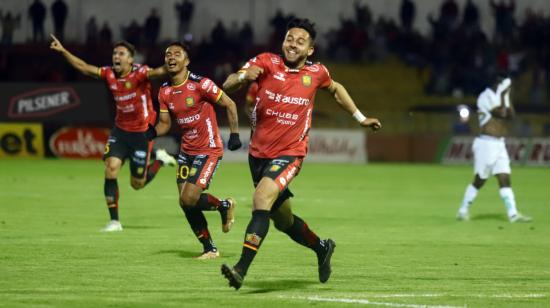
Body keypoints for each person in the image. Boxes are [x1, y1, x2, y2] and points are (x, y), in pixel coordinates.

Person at [220, 18, 382, 289]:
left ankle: (240, 270)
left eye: (300, 41)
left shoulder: (316, 73)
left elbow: (336, 89)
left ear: (310, 50)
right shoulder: (265, 62)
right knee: (283, 221)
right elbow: (227, 86)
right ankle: (322, 248)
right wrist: (241, 77)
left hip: (290, 154)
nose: (292, 44)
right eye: (289, 39)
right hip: (258, 155)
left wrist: (360, 117)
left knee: (260, 199)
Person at [49, 34, 176, 232]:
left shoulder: (141, 73)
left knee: (137, 184)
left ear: (130, 59)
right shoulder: (108, 73)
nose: (116, 56)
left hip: (142, 133)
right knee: (111, 167)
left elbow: (160, 71)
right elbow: (83, 67)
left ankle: (159, 160)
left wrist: (173, 62)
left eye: (121, 53)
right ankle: (115, 221)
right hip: (120, 131)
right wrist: (63, 50)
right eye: (115, 53)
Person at [153, 42, 242, 259]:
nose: (171, 57)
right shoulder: (164, 91)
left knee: (190, 198)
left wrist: (235, 135)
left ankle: (223, 206)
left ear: (186, 61)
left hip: (208, 148)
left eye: (177, 54)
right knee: (185, 202)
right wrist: (147, 134)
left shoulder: (201, 84)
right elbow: (164, 124)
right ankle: (210, 248)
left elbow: (230, 104)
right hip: (186, 152)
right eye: (168, 54)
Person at [457, 76, 532, 223]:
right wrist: (504, 95)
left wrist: (507, 96)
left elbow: (511, 115)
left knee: (504, 178)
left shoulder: (500, 96)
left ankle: (513, 214)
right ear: (497, 83)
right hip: (486, 144)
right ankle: (463, 210)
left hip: (499, 143)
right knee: (480, 180)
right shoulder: (485, 96)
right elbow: (500, 113)